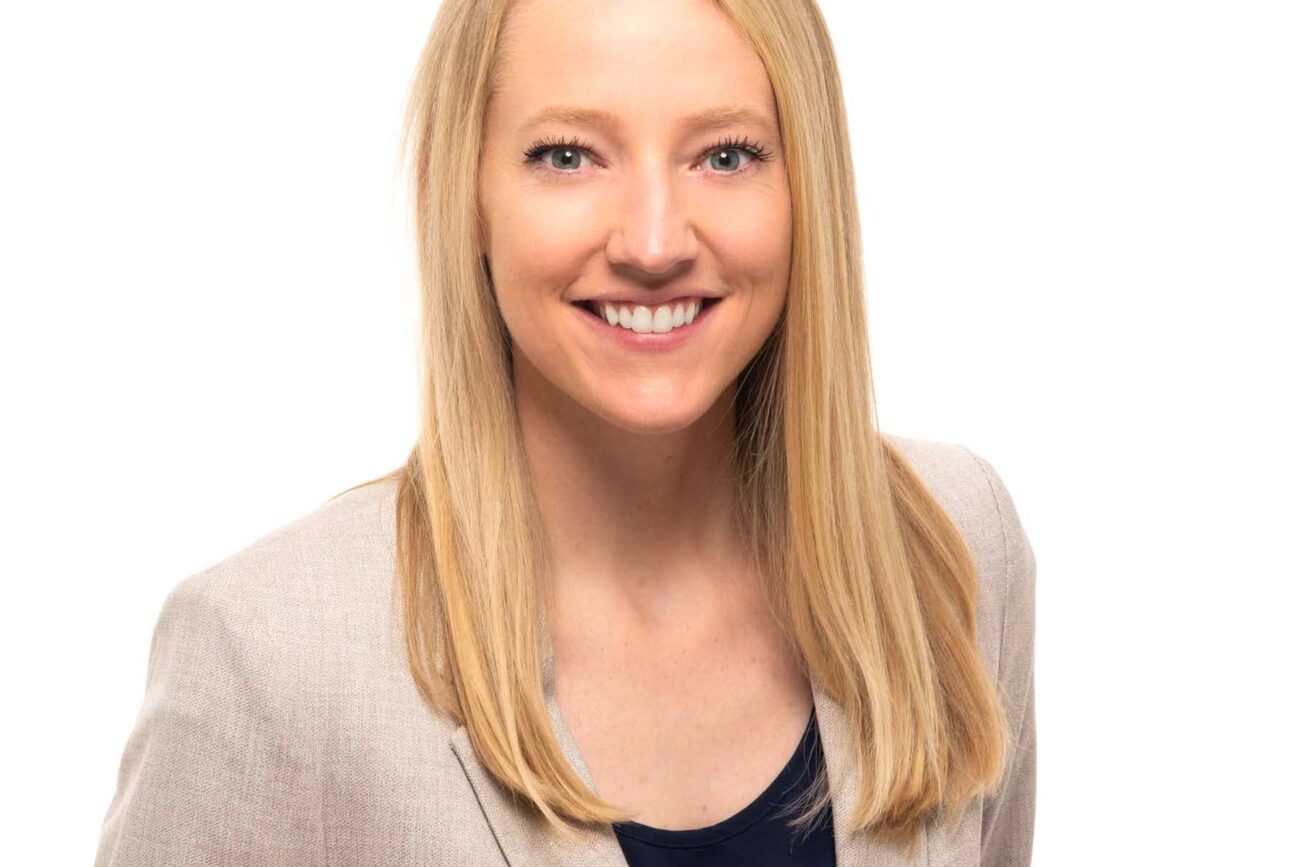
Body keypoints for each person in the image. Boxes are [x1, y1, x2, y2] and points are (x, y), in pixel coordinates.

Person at [93, 0, 1036, 865]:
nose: (654, 243)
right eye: (568, 155)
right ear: (467, 196)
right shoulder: (267, 651)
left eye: (726, 155)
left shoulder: (955, 546)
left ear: (808, 189)